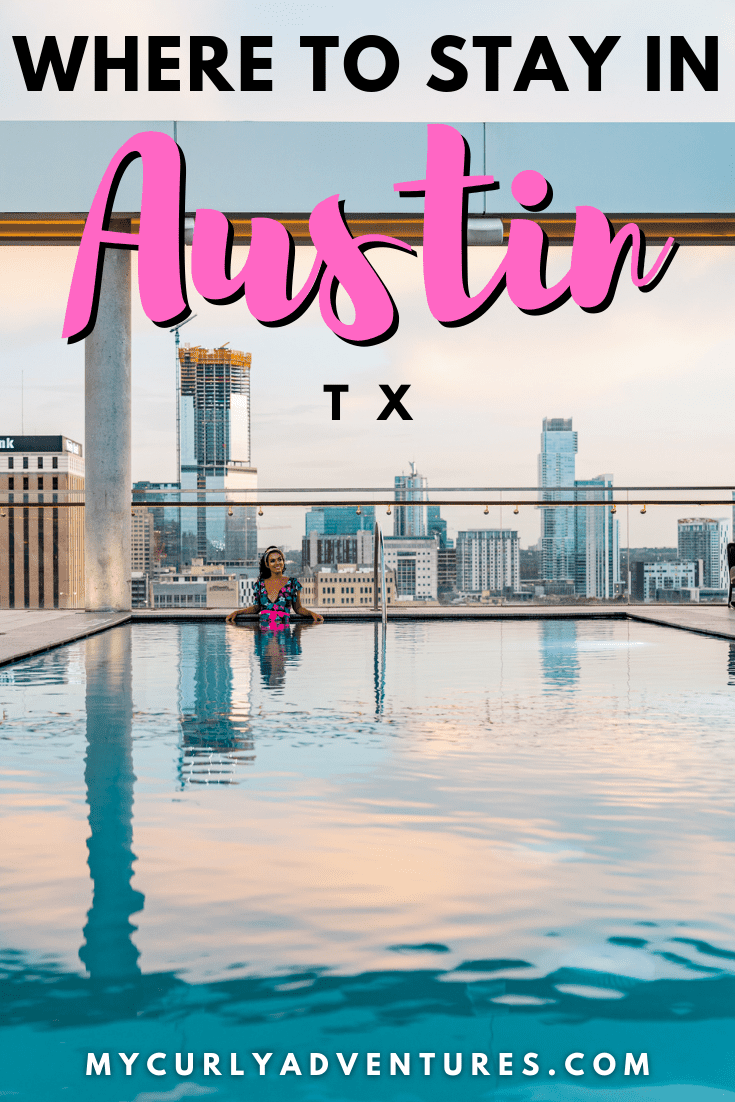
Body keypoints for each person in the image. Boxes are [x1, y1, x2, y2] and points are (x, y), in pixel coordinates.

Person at [225, 546, 324, 626]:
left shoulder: (293, 584)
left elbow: (298, 609)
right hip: (264, 639)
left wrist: (312, 614)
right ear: (267, 565)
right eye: (272, 561)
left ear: (283, 562)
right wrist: (237, 613)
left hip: (284, 640)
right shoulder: (260, 585)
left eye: (279, 559)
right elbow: (256, 608)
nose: (277, 563)